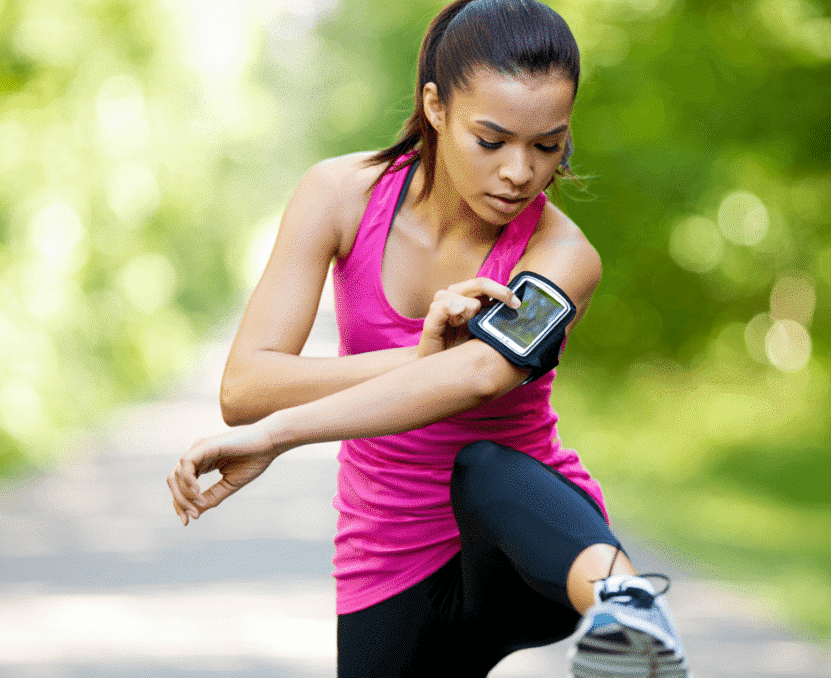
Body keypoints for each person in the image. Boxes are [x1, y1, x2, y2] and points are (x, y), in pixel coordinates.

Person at [166, 1, 688, 676]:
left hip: (526, 554)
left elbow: (481, 374)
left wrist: (279, 436)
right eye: (492, 141)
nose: (520, 172)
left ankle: (629, 609)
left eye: (547, 146)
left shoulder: (563, 257)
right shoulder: (339, 196)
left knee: (484, 466)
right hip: (383, 560)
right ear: (436, 107)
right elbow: (245, 387)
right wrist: (415, 357)